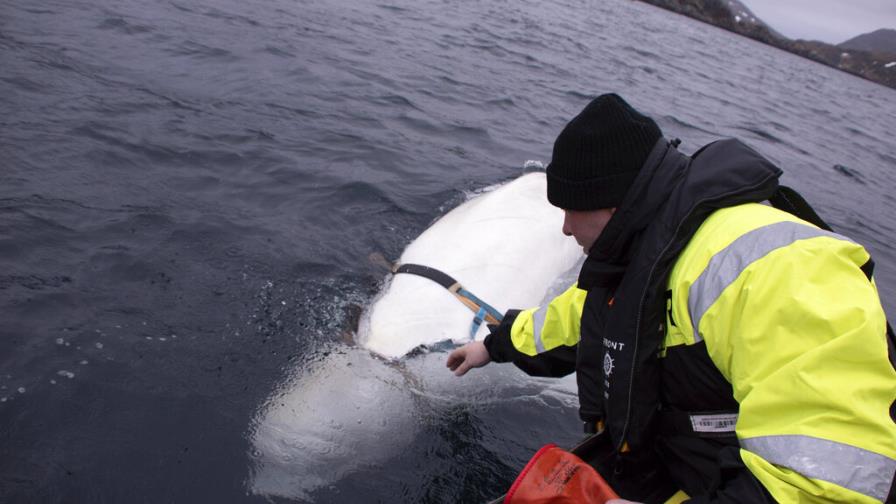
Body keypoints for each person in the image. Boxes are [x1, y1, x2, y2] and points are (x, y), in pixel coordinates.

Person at [446, 94, 896, 503]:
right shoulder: (650, 249)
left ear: (611, 204)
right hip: (680, 463)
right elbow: (588, 319)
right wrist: (494, 345)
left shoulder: (782, 271)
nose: (565, 228)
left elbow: (826, 485)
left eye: (570, 210)